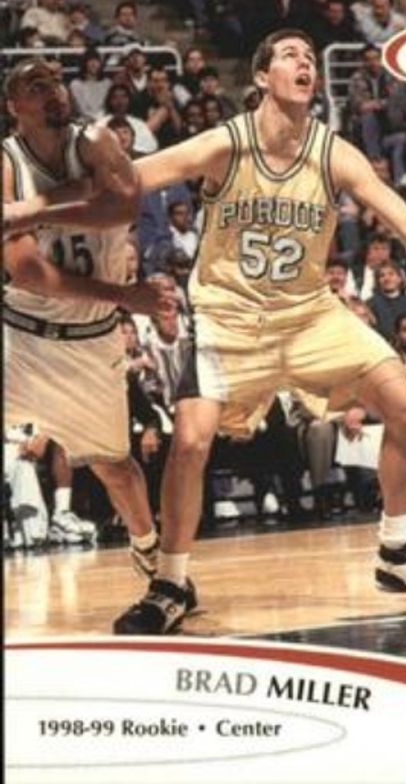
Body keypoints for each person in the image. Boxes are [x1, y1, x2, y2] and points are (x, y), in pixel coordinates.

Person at [6, 32, 406, 636]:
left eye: (310, 55)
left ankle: (397, 548)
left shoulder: (334, 153)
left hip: (309, 314)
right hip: (230, 316)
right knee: (191, 442)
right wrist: (28, 209)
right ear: (260, 77)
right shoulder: (226, 143)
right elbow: (122, 184)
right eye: (290, 55)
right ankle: (170, 582)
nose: (305, 61)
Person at [2, 58, 194, 623]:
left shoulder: (96, 139)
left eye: (55, 81)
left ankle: (150, 551)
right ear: (14, 107)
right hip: (19, 335)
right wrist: (123, 292)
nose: (52, 90)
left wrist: (32, 210)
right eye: (35, 86)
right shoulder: (6, 160)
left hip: (91, 339)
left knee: (115, 467)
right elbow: (27, 272)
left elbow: (124, 203)